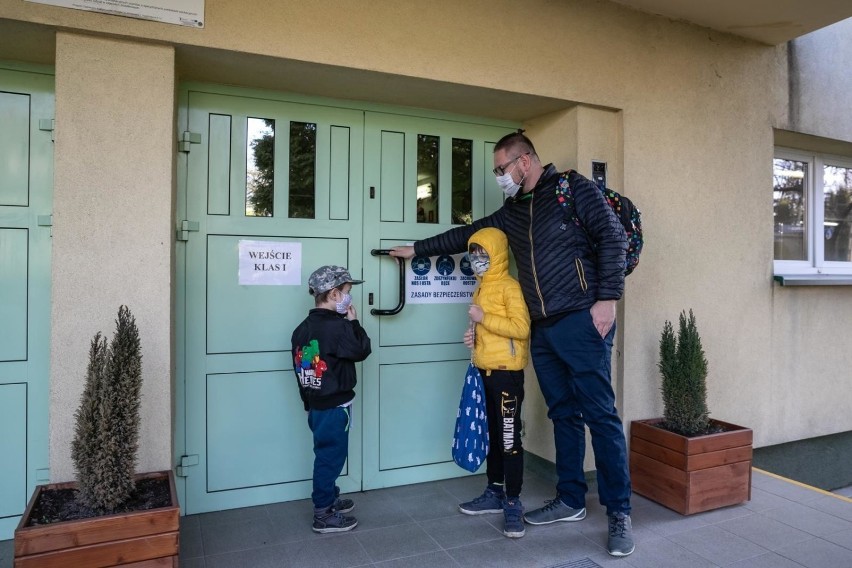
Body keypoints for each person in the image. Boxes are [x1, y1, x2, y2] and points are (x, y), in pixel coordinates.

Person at [390, 132, 635, 557]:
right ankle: (572, 499)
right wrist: (416, 250)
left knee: (600, 413)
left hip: (583, 318)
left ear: (524, 162)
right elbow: (470, 233)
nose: (499, 177)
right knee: (562, 413)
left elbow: (612, 237)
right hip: (542, 328)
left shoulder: (574, 189)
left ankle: (619, 512)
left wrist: (607, 300)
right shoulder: (513, 212)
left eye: (500, 169)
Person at [457, 227, 531, 538]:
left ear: (497, 254)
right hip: (484, 372)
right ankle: (494, 492)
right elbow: (487, 328)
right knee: (491, 435)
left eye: (482, 254)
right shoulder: (480, 288)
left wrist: (484, 318)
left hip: (506, 376)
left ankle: (513, 502)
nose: (477, 259)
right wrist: (473, 338)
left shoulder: (509, 287)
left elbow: (522, 328)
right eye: (473, 254)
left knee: (509, 439)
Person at [291, 265, 372, 533]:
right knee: (330, 458)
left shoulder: (302, 329)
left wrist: (307, 403)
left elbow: (301, 369)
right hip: (335, 405)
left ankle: (330, 497)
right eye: (348, 292)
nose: (349, 298)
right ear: (335, 294)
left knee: (326, 452)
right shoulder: (338, 327)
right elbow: (362, 349)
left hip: (316, 404)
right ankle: (323, 513)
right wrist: (353, 322)